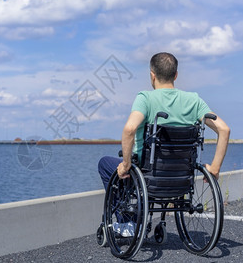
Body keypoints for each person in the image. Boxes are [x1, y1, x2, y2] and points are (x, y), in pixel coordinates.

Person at [98, 52, 230, 191]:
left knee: (104, 163)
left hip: (146, 175)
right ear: (176, 75)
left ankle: (123, 213)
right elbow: (224, 129)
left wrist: (125, 164)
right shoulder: (194, 100)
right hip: (181, 176)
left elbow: (130, 129)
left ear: (152, 75)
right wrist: (215, 167)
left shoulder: (145, 98)